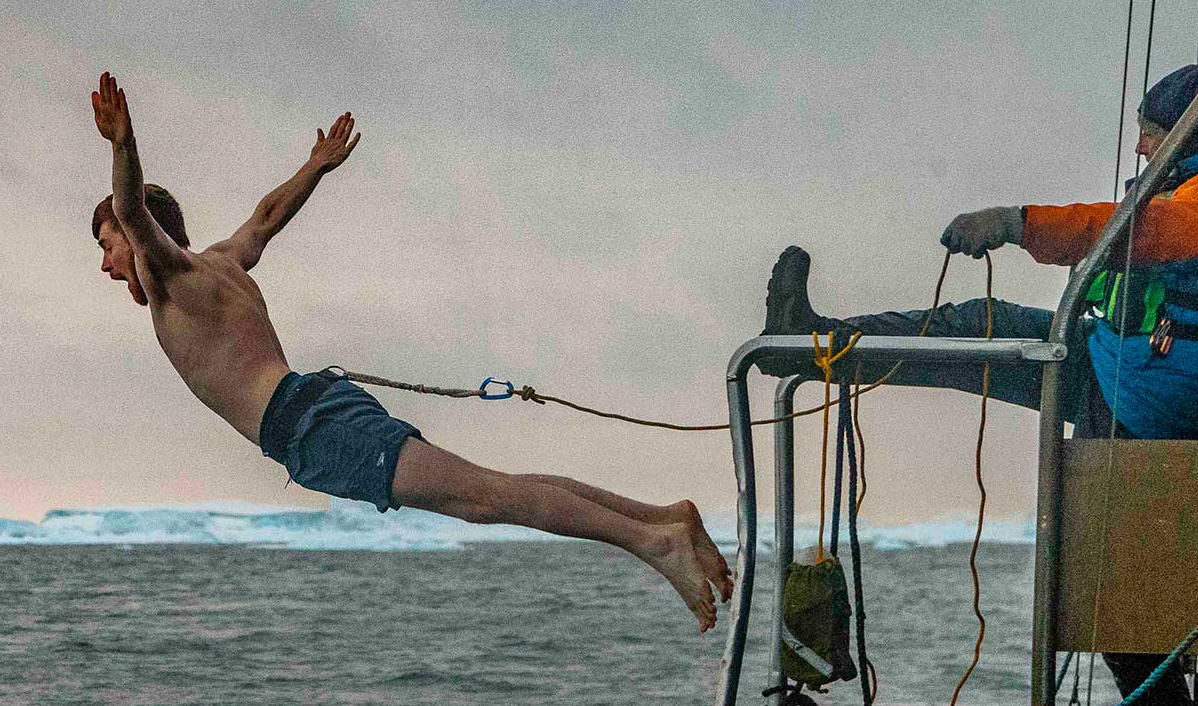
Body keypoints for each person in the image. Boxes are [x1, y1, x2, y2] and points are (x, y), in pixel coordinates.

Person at [762, 63, 1198, 706]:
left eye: (1152, 132)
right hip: (1123, 367)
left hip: (1146, 396)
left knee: (1101, 568)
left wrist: (1016, 224)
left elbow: (1137, 232)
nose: (1140, 145)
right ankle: (815, 341)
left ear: (1189, 135)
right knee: (983, 328)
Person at [88, 71, 732, 631]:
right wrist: (314, 166)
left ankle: (653, 545)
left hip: (310, 429)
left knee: (488, 498)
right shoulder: (221, 263)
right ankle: (665, 518)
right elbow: (265, 216)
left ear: (140, 234)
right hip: (318, 402)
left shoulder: (173, 278)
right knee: (495, 488)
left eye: (107, 245)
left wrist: (125, 144)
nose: (107, 264)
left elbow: (135, 211)